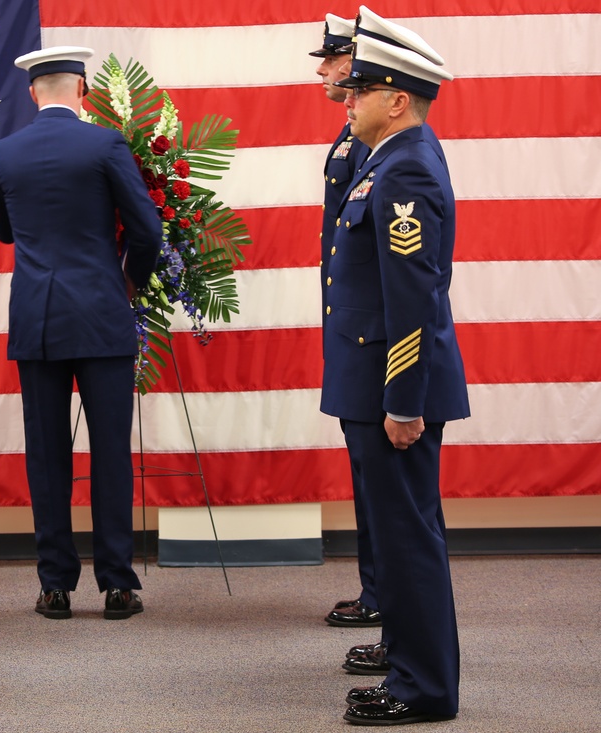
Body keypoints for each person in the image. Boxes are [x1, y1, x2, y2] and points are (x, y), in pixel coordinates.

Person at [321, 19, 469, 724]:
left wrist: (403, 399)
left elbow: (412, 296)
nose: (349, 98)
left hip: (393, 386)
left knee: (408, 540)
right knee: (402, 532)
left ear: (399, 99)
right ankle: (410, 667)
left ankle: (424, 687)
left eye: (363, 89)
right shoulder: (390, 157)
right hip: (375, 381)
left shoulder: (404, 165)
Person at [0, 46, 162, 620]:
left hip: (37, 320)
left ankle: (55, 584)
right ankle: (116, 583)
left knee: (46, 454)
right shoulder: (106, 144)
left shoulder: (6, 152)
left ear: (33, 92)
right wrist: (129, 282)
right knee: (111, 451)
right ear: (83, 90)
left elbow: (4, 231)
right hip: (102, 316)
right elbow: (144, 228)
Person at [310, 12, 381, 632]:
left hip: (369, 336)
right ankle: (376, 588)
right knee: (366, 472)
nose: (322, 70)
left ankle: (384, 594)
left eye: (333, 60)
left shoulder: (373, 144)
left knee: (379, 476)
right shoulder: (350, 139)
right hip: (349, 328)